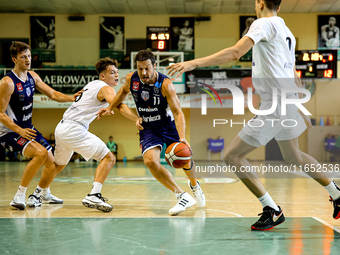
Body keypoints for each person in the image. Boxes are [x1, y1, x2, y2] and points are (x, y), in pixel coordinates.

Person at [167, 0, 340, 230]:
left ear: (260, 2)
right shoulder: (286, 30)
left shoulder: (262, 24)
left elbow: (236, 52)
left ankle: (272, 209)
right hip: (286, 101)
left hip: (275, 103)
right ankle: (336, 194)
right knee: (294, 156)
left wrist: (194, 63)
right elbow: (292, 71)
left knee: (231, 156)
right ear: (279, 5)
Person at [98, 50, 206, 216]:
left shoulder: (165, 84)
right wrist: (110, 107)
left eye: (147, 68)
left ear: (154, 66)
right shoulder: (131, 79)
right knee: (150, 161)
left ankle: (194, 184)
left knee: (184, 158)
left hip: (167, 125)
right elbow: (121, 94)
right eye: (140, 69)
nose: (144, 73)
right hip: (148, 127)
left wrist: (182, 137)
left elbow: (178, 113)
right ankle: (181, 195)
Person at [29, 57, 140, 212]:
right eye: (112, 72)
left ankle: (37, 195)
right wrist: (136, 118)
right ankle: (94, 194)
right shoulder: (106, 88)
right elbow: (119, 105)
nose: (116, 75)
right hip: (74, 129)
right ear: (103, 76)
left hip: (62, 127)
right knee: (109, 157)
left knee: (58, 165)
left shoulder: (92, 84)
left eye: (116, 72)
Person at [0, 41, 79, 210]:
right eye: (23, 57)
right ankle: (19, 196)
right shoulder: (7, 83)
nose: (27, 59)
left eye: (28, 55)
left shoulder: (33, 76)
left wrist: (71, 97)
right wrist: (19, 130)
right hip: (8, 131)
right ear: (14, 59)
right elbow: (0, 114)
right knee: (40, 153)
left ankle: (44, 193)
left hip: (27, 128)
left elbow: (53, 94)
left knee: (52, 163)